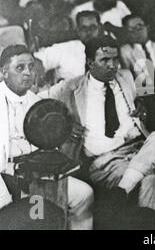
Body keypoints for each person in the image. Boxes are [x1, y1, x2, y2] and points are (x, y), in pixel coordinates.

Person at [41, 37, 155, 214]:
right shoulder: (70, 88)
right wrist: (64, 126)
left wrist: (141, 106)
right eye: (105, 60)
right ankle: (149, 225)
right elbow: (37, 104)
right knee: (149, 180)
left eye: (115, 59)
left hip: (139, 149)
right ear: (90, 63)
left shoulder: (126, 76)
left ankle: (122, 190)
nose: (112, 65)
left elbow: (138, 100)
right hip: (105, 161)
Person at [0, 45, 94, 229]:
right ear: (4, 72)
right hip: (4, 178)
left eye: (31, 66)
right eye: (20, 68)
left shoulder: (36, 103)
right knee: (27, 216)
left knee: (84, 194)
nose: (28, 73)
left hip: (36, 174)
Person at [33, 11, 105, 83]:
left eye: (93, 28)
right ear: (77, 30)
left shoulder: (110, 50)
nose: (89, 32)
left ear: (99, 28)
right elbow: (36, 60)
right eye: (84, 28)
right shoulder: (66, 48)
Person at [118, 14, 155, 92]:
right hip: (144, 95)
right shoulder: (126, 51)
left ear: (147, 28)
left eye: (139, 27)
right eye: (131, 30)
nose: (136, 32)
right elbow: (126, 77)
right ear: (127, 33)